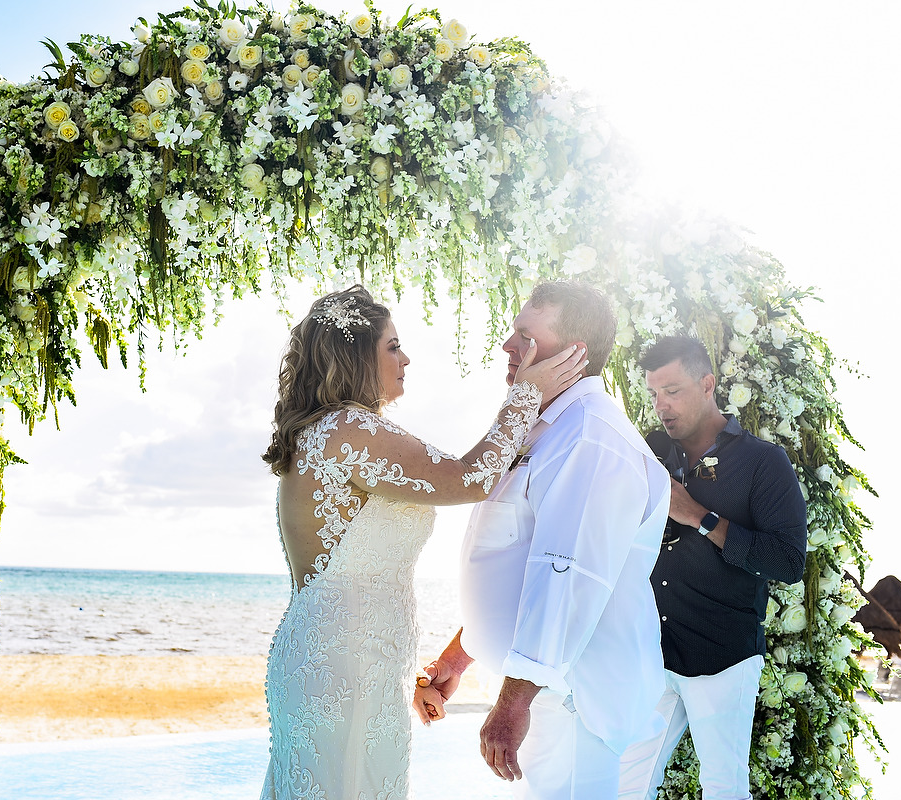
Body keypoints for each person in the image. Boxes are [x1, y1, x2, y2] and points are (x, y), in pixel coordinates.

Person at [258, 285, 588, 800]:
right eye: (392, 346)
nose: (406, 358)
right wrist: (525, 395)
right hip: (342, 669)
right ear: (355, 356)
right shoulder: (349, 430)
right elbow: (471, 477)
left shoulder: (336, 430)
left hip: (350, 660)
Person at [414, 280, 672, 799]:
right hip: (546, 694)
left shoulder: (590, 437)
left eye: (526, 336)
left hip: (575, 702)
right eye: (512, 332)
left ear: (574, 353)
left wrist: (513, 702)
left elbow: (566, 575)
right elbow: (515, 560)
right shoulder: (544, 427)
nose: (508, 346)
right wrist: (461, 656)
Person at [616, 335, 807, 800]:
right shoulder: (648, 450)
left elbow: (787, 561)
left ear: (707, 384)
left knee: (723, 787)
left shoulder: (763, 462)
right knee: (625, 783)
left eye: (674, 391)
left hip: (724, 655)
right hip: (652, 651)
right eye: (654, 393)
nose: (661, 406)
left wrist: (698, 517)